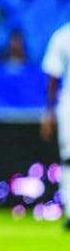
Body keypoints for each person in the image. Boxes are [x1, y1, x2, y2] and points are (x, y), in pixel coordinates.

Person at [40, 22, 70, 231]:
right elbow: (53, 76)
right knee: (68, 158)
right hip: (69, 103)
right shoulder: (63, 37)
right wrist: (48, 112)